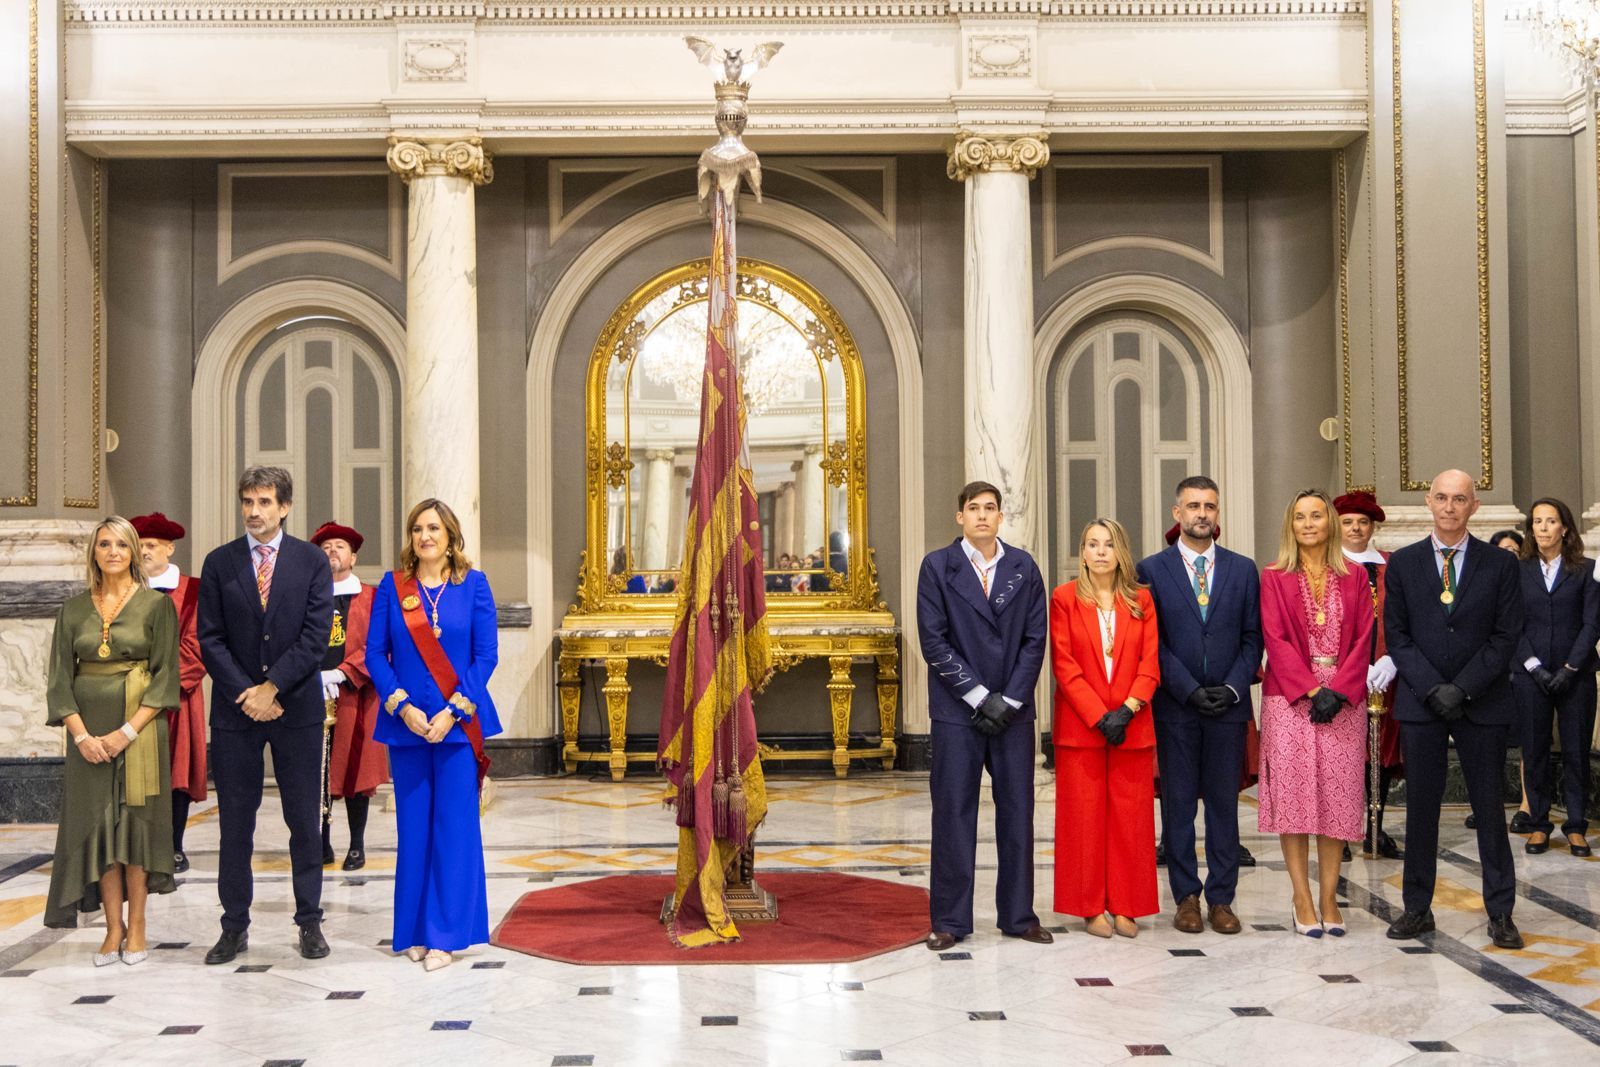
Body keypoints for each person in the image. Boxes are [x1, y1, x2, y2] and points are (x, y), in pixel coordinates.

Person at [198, 466, 334, 965]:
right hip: (236, 714)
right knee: (236, 823)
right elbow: (209, 639)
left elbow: (316, 637)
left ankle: (309, 923)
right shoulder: (220, 563)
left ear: (285, 507)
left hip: (294, 707)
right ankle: (233, 926)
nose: (253, 511)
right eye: (247, 502)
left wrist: (272, 686)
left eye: (263, 502)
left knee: (303, 821)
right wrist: (247, 692)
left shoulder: (312, 561)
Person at [1384, 469, 1524, 949]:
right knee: (1421, 811)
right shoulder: (1401, 564)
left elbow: (1505, 637)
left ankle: (1501, 912)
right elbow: (1397, 636)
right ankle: (1417, 909)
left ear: (1474, 506)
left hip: (1481, 703)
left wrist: (1461, 688)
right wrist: (1431, 687)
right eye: (1441, 497)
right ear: (1428, 501)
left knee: (1489, 809)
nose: (1449, 507)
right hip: (1422, 704)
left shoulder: (1501, 565)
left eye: (1459, 499)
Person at [367, 498, 501, 971]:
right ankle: (416, 931)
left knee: (454, 829)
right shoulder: (391, 587)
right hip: (407, 729)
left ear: (450, 537)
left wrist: (454, 711)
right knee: (415, 830)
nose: (424, 536)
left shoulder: (474, 586)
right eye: (417, 529)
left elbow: (485, 657)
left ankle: (446, 935)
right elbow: (374, 655)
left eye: (433, 529)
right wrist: (401, 707)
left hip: (457, 729)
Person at [917, 480, 1052, 949]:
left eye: (990, 508)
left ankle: (1018, 916)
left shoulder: (1023, 567)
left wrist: (1010, 699)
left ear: (1000, 516)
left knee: (1018, 813)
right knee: (953, 814)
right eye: (972, 508)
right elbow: (933, 641)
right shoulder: (937, 566)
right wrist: (978, 696)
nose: (981, 515)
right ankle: (950, 920)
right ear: (960, 517)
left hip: (1013, 713)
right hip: (958, 712)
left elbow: (1036, 640)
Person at [44, 516, 179, 966]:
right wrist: (82, 736)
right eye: (105, 544)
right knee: (98, 828)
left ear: (135, 551)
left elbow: (165, 679)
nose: (114, 552)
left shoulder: (156, 606)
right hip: (87, 737)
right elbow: (60, 681)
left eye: (122, 544)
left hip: (138, 732)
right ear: (94, 553)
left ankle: (138, 926)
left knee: (134, 828)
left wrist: (125, 732)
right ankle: (111, 928)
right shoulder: (74, 608)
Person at [1137, 476, 1263, 936]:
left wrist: (1232, 688)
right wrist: (1188, 688)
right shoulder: (1150, 569)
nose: (1202, 514)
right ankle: (1186, 896)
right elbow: (1153, 642)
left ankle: (1222, 899)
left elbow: (1253, 638)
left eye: (1210, 505)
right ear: (1177, 514)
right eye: (1193, 506)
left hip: (1228, 707)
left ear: (1218, 512)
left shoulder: (1242, 569)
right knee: (1178, 805)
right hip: (1176, 705)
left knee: (1224, 807)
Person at [1259, 490, 1374, 938]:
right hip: (1289, 701)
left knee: (1337, 801)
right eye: (1300, 516)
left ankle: (1328, 896)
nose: (1309, 524)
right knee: (1295, 801)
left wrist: (1340, 690)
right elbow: (1274, 637)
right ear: (1291, 524)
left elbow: (1365, 637)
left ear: (1330, 524)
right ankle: (1301, 896)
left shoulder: (1356, 576)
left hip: (1344, 700)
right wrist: (1309, 689)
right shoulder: (1273, 577)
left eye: (1317, 516)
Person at [1050, 519, 1160, 938]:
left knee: (1131, 821)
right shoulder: (1063, 599)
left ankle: (1128, 905)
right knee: (1084, 821)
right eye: (1091, 544)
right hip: (1082, 728)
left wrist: (1128, 710)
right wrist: (1100, 716)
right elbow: (1064, 664)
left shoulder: (1142, 601)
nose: (1099, 552)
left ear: (1121, 552)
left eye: (1108, 544)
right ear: (1082, 552)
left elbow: (1151, 663)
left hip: (1133, 724)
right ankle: (1090, 906)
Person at [1513, 498, 1598, 858]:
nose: (1543, 528)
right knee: (1534, 752)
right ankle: (1539, 825)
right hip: (1530, 675)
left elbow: (1593, 623)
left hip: (1575, 675)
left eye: (1551, 521)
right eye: (1537, 521)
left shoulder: (1587, 569)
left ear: (1565, 527)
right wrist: (1534, 665)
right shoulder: (1517, 570)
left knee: (1577, 751)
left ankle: (1576, 826)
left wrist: (1569, 669)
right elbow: (1510, 624)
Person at [130, 511, 208, 873]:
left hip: (179, 698)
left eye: (151, 545)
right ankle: (141, 846)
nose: (144, 552)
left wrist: (157, 684)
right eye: (140, 545)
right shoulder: (125, 589)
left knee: (176, 773)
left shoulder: (192, 590)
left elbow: (199, 646)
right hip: (129, 699)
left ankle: (175, 845)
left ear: (169, 548)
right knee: (137, 773)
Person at [310, 521, 388, 871]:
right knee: (316, 770)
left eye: (339, 546)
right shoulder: (306, 597)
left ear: (353, 557)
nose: (332, 552)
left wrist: (344, 672)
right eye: (325, 547)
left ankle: (356, 845)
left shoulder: (371, 597)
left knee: (356, 771)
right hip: (312, 691)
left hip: (356, 694)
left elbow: (380, 645)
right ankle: (321, 842)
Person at [1335, 491, 1404, 859]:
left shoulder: (1391, 566)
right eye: (1348, 522)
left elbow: (1403, 618)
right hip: (1345, 676)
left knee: (1383, 755)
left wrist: (1391, 660)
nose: (1356, 528)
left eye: (1363, 522)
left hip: (1387, 675)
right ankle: (1341, 831)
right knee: (1348, 755)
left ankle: (1375, 828)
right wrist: (1354, 666)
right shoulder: (1328, 567)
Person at [1465, 528, 1532, 833]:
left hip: (1524, 673)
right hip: (1489, 676)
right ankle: (1484, 807)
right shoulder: (1482, 583)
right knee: (1487, 749)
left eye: (1514, 552)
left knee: (1527, 744)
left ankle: (1527, 806)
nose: (1508, 557)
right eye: (1501, 551)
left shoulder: (1530, 583)